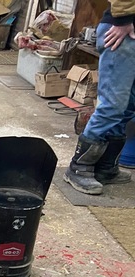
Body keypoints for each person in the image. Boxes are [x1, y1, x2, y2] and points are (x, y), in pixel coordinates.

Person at [63, 1, 135, 195]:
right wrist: (123, 17)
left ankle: (106, 167)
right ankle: (78, 167)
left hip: (127, 29)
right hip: (123, 30)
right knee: (113, 104)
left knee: (129, 104)